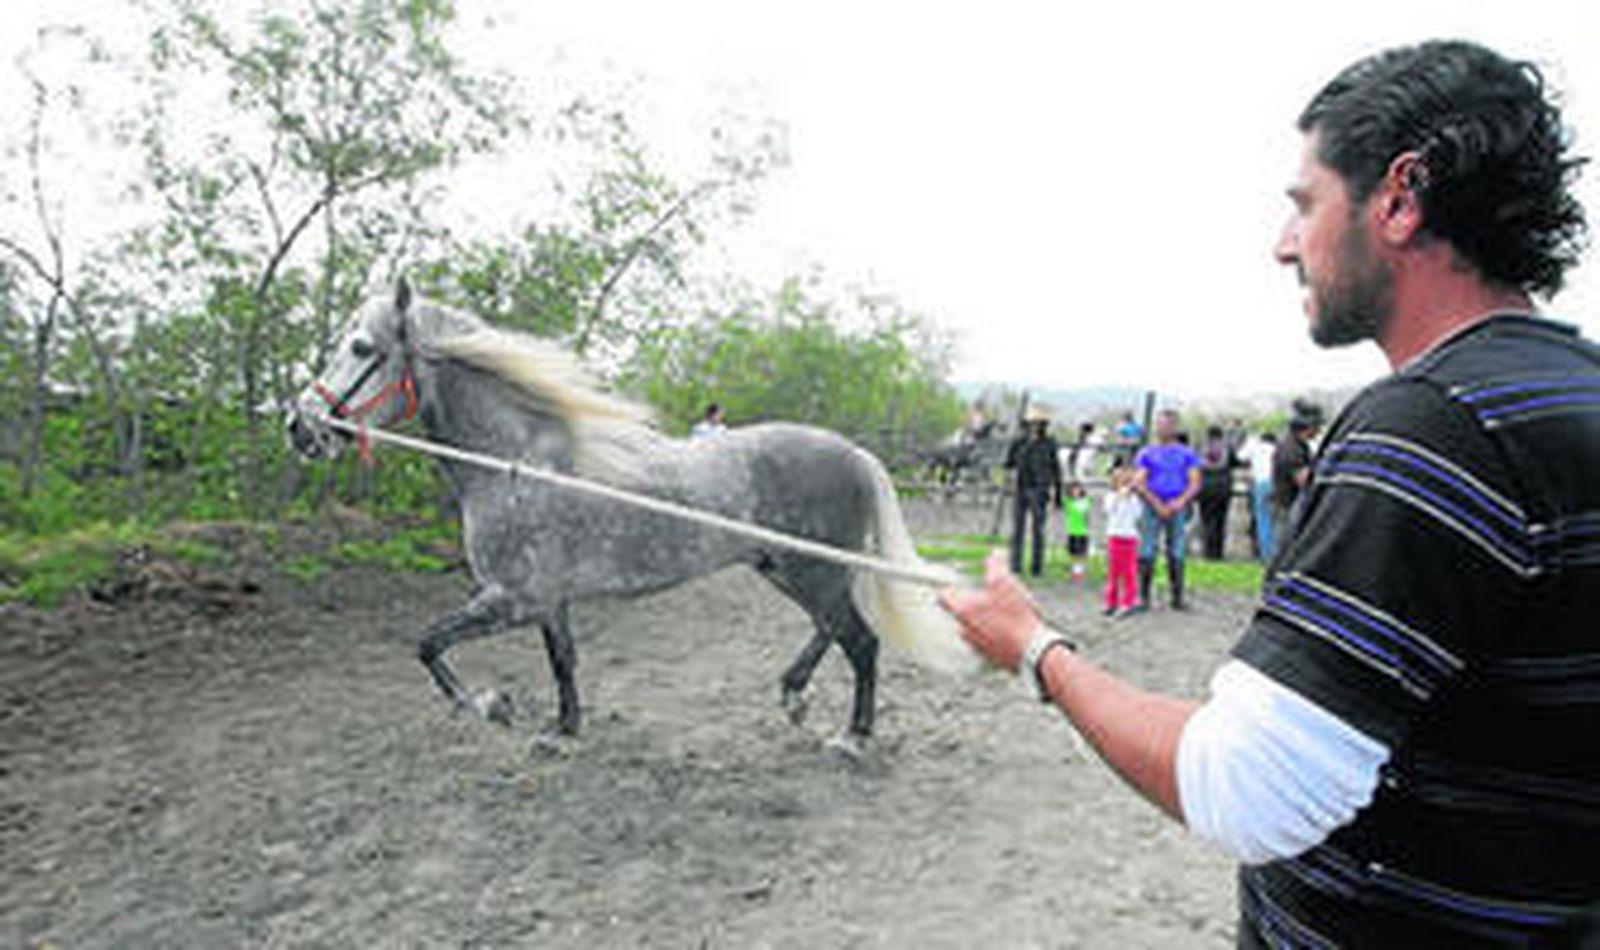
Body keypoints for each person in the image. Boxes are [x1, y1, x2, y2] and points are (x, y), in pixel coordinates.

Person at [940, 40, 1597, 945]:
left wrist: (1036, 649)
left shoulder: (1429, 430)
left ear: (1399, 199)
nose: (1283, 243)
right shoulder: (1574, 394)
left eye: (1304, 203)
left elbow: (1246, 788)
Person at [1132, 409, 1201, 610]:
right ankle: (1144, 597)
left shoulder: (1186, 454)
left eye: (1167, 425)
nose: (1162, 428)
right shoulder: (1147, 453)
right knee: (1147, 549)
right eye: (1160, 424)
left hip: (1176, 505)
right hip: (1152, 505)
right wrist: (1156, 503)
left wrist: (1180, 501)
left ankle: (1177, 598)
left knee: (1177, 550)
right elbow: (1139, 481)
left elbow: (1195, 481)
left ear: (1175, 427)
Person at [1004, 409, 1063, 577]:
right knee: (1018, 529)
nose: (1036, 426)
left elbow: (1056, 468)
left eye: (1039, 423)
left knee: (1038, 529)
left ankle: (1037, 566)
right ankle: (1016, 565)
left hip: (1040, 489)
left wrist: (1057, 493)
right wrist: (1011, 478)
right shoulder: (1019, 442)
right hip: (1021, 487)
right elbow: (1009, 463)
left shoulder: (1049, 443)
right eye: (1033, 422)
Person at [1101, 462, 1143, 617]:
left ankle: (1128, 602)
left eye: (1127, 480)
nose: (1124, 484)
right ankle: (1111, 602)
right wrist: (1120, 496)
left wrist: (1131, 497)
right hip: (1114, 537)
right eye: (1120, 480)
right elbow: (1109, 510)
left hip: (1130, 539)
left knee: (1129, 573)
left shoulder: (1134, 500)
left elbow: (1137, 515)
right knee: (1113, 573)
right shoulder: (1110, 497)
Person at [1270, 416, 1317, 542]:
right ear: (1303, 431)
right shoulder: (1292, 448)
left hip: (1284, 498)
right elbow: (1301, 478)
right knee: (1287, 540)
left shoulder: (1291, 444)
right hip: (1288, 500)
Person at [1196, 424, 1236, 560]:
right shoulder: (1227, 449)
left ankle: (1207, 551)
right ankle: (1218, 552)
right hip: (1223, 488)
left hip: (1205, 487)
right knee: (1220, 520)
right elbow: (1235, 463)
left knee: (1206, 520)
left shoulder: (1200, 449)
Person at [1239, 430, 1278, 561]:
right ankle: (1277, 553)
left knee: (1263, 520)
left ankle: (1267, 554)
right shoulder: (1276, 449)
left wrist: (1249, 440)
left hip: (1260, 484)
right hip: (1275, 483)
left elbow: (1240, 456)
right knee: (1276, 521)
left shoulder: (1255, 448)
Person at [1061, 480, 1092, 585]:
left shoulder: (1085, 502)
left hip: (1082, 532)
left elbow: (1086, 508)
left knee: (1081, 553)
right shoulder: (1068, 502)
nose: (1075, 492)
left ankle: (1080, 572)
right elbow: (1062, 501)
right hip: (1072, 531)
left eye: (1078, 489)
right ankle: (1074, 571)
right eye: (1073, 490)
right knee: (1073, 553)